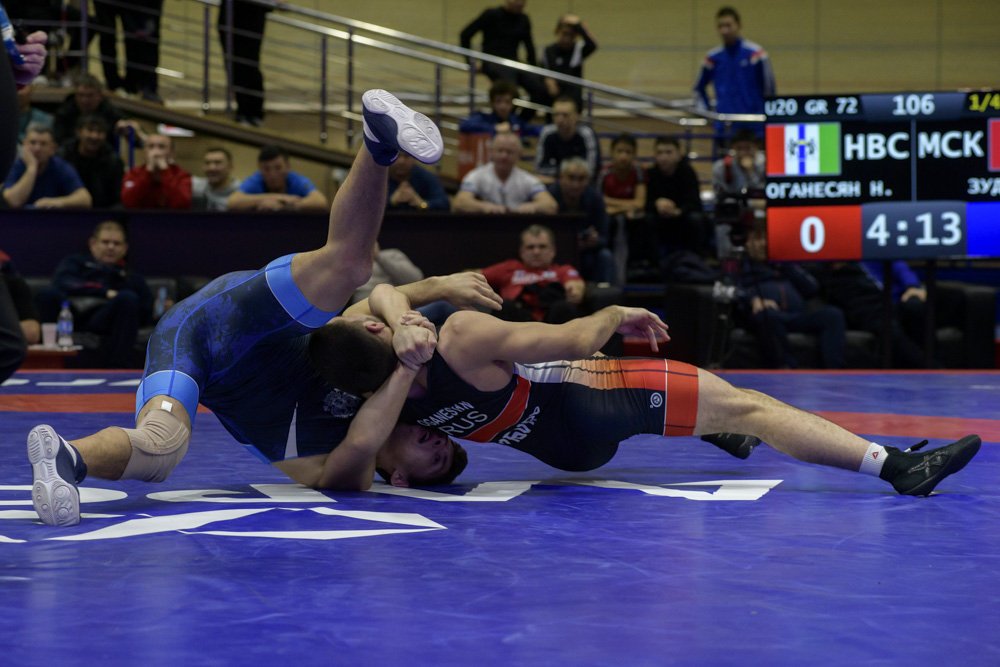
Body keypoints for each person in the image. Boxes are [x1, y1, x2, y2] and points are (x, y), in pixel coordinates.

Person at [26, 89, 498, 527]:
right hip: (239, 317)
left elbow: (358, 452)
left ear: (399, 479)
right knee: (350, 266)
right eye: (443, 439)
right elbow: (367, 308)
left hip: (191, 351)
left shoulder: (337, 464)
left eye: (435, 458)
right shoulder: (376, 373)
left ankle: (64, 458)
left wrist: (403, 368)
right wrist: (436, 287)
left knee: (161, 449)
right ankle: (377, 141)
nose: (436, 440)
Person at [322, 296, 980, 498]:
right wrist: (616, 310)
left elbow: (371, 300)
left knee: (569, 370)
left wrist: (403, 313)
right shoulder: (460, 336)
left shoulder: (373, 405)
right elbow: (576, 337)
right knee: (752, 407)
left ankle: (708, 424)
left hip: (563, 455)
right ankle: (897, 467)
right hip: (584, 402)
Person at [35, 220, 157, 368]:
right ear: (92, 243)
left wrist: (159, 310)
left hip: (105, 320)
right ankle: (46, 363)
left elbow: (145, 313)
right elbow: (63, 282)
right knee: (47, 294)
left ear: (125, 248)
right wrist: (105, 292)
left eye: (116, 243)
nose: (111, 247)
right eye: (105, 242)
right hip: (71, 315)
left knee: (127, 298)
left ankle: (118, 368)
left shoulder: (133, 278)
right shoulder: (75, 263)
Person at [739, 224, 846, 369]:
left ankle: (834, 371)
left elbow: (812, 288)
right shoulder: (742, 266)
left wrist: (784, 264)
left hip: (795, 317)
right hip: (767, 316)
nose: (764, 244)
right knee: (767, 315)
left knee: (833, 314)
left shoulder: (785, 265)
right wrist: (753, 299)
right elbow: (732, 289)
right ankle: (786, 369)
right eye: (758, 239)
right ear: (746, 243)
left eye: (767, 238)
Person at [693, 6, 776, 143]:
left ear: (739, 25)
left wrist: (764, 116)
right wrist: (708, 115)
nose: (724, 30)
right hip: (725, 126)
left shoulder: (756, 54)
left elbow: (769, 90)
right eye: (720, 26)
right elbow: (698, 89)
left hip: (754, 125)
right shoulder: (713, 58)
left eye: (728, 25)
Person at [459, 0, 548, 122]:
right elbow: (465, 35)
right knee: (511, 93)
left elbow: (530, 49)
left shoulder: (524, 19)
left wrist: (537, 74)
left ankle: (518, 124)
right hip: (492, 61)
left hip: (513, 63)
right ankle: (505, 126)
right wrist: (470, 63)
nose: (519, 3)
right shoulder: (491, 14)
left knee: (541, 91)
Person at [480, 223, 585, 324]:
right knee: (504, 305)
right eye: (530, 247)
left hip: (552, 324)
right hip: (517, 323)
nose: (536, 252)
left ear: (553, 251)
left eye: (542, 247)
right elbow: (475, 274)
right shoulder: (508, 267)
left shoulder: (563, 270)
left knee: (565, 307)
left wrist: (574, 292)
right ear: (522, 252)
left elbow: (576, 286)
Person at [635, 135, 708, 272]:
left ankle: (696, 263)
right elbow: (642, 203)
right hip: (658, 222)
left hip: (681, 221)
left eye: (669, 152)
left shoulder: (688, 172)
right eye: (660, 152)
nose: (664, 157)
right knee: (646, 219)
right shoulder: (649, 174)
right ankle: (653, 266)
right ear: (655, 155)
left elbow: (695, 202)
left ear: (678, 155)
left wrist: (679, 211)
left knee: (697, 219)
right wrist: (656, 204)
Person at [452, 131, 557, 214]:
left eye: (509, 152)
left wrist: (532, 207)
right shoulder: (476, 175)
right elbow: (460, 202)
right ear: (491, 151)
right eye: (500, 150)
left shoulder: (526, 179)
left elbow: (550, 205)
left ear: (519, 154)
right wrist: (484, 206)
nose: (504, 156)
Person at [546, 157, 614, 284]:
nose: (575, 184)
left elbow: (605, 237)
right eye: (571, 178)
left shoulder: (595, 198)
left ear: (588, 180)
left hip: (587, 252)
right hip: (556, 251)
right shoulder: (548, 196)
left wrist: (595, 240)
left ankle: (605, 291)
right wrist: (568, 242)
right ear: (561, 177)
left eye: (581, 179)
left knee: (605, 256)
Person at [2, 122, 92, 209]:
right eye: (33, 142)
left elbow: (85, 199)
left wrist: (56, 202)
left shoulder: (60, 167)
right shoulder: (17, 166)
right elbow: (14, 201)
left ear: (53, 148)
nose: (37, 148)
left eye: (43, 144)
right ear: (24, 145)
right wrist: (32, 168)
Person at [218, 0, 280, 126]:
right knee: (233, 65)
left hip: (252, 13)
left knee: (248, 63)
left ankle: (253, 112)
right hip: (231, 12)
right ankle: (243, 110)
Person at [599, 133, 646, 286]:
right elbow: (600, 202)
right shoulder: (604, 173)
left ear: (634, 154)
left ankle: (636, 267)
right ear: (612, 153)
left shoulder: (638, 171)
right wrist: (626, 206)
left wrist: (613, 206)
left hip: (630, 218)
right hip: (611, 217)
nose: (623, 156)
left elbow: (640, 203)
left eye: (628, 152)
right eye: (619, 151)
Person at [227, 144, 330, 212]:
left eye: (278, 167)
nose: (273, 174)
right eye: (266, 169)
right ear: (259, 168)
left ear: (288, 166)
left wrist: (284, 205)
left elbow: (321, 202)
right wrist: (283, 198)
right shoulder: (256, 179)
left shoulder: (295, 179)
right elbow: (233, 202)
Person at [52, 75, 146, 149]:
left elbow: (137, 137)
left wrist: (133, 130)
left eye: (90, 95)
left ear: (100, 96)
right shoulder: (64, 113)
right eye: (81, 95)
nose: (85, 100)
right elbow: (59, 143)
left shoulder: (109, 111)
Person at [58, 114, 125, 208]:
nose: (94, 136)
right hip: (67, 211)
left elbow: (117, 199)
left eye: (99, 131)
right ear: (78, 132)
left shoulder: (113, 161)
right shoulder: (63, 157)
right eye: (90, 130)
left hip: (103, 213)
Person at [533, 96, 600, 185]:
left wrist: (559, 174)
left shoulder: (586, 134)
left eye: (565, 115)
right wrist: (569, 175)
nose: (560, 119)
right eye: (556, 114)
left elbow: (590, 171)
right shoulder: (547, 133)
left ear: (576, 116)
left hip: (582, 186)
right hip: (555, 185)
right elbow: (539, 169)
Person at [540, 14, 597, 113]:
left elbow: (592, 45)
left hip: (573, 103)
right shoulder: (548, 51)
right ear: (557, 32)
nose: (567, 39)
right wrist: (547, 80)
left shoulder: (578, 49)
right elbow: (542, 71)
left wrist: (579, 24)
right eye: (565, 34)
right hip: (554, 102)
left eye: (571, 35)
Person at [121, 133, 191, 209]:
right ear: (144, 151)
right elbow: (128, 201)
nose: (156, 152)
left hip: (172, 216)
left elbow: (182, 203)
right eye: (151, 146)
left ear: (171, 153)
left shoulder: (182, 175)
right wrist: (148, 172)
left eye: (161, 147)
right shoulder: (133, 173)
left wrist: (165, 170)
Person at [458, 79, 540, 138]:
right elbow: (464, 125)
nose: (503, 106)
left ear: (512, 104)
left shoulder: (515, 121)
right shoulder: (484, 118)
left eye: (507, 102)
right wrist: (495, 128)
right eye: (498, 101)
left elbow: (533, 130)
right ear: (492, 102)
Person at [712, 128, 765, 199]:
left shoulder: (765, 165)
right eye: (739, 148)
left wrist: (750, 172)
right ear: (733, 148)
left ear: (756, 147)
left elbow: (762, 193)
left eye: (747, 148)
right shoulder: (721, 167)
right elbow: (722, 195)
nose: (742, 153)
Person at [191, 146, 241, 211]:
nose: (212, 168)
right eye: (207, 163)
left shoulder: (241, 190)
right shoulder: (196, 186)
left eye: (218, 163)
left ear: (230, 167)